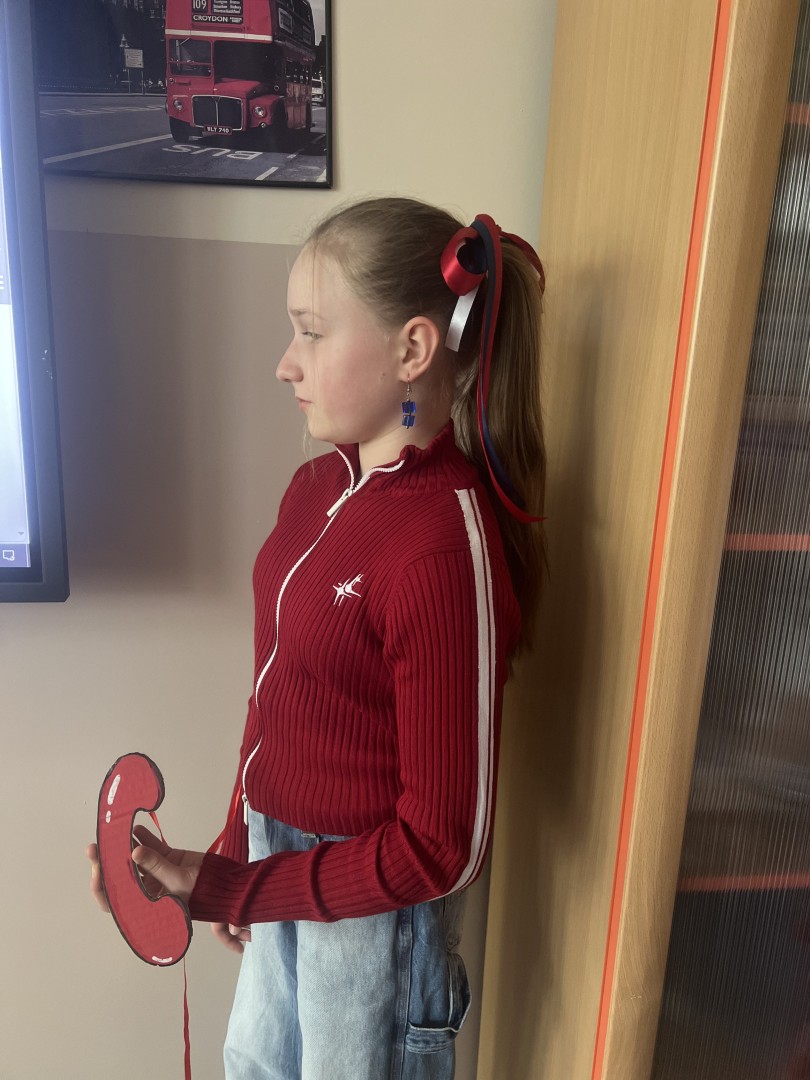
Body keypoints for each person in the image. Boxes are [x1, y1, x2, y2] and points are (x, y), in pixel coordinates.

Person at [88, 195, 547, 1080]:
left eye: (311, 332)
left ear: (413, 350)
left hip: (372, 916)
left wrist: (244, 886)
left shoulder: (440, 545)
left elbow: (441, 847)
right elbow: (278, 688)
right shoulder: (312, 491)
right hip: (277, 859)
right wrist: (235, 846)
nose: (284, 363)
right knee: (254, 1066)